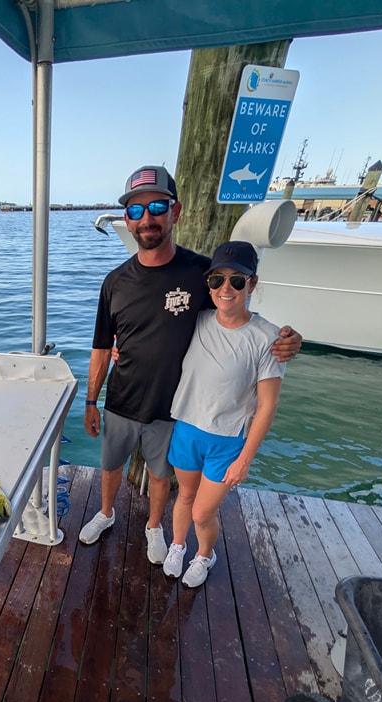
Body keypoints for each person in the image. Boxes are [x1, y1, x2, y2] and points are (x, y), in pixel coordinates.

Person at [79, 165, 301, 564]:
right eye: (135, 210)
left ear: (175, 212)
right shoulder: (114, 282)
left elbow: (235, 316)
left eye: (157, 207)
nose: (146, 218)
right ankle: (105, 513)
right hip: (121, 398)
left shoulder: (202, 273)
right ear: (127, 221)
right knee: (110, 465)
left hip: (173, 406)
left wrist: (288, 340)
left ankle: (153, 527)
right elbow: (100, 345)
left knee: (162, 477)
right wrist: (91, 400)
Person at [163, 239, 283, 587]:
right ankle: (178, 545)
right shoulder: (196, 321)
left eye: (237, 280)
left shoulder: (268, 338)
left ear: (253, 284)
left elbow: (268, 405)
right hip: (187, 428)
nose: (225, 288)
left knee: (203, 511)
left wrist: (246, 458)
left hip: (228, 440)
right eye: (217, 280)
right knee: (184, 496)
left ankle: (205, 554)